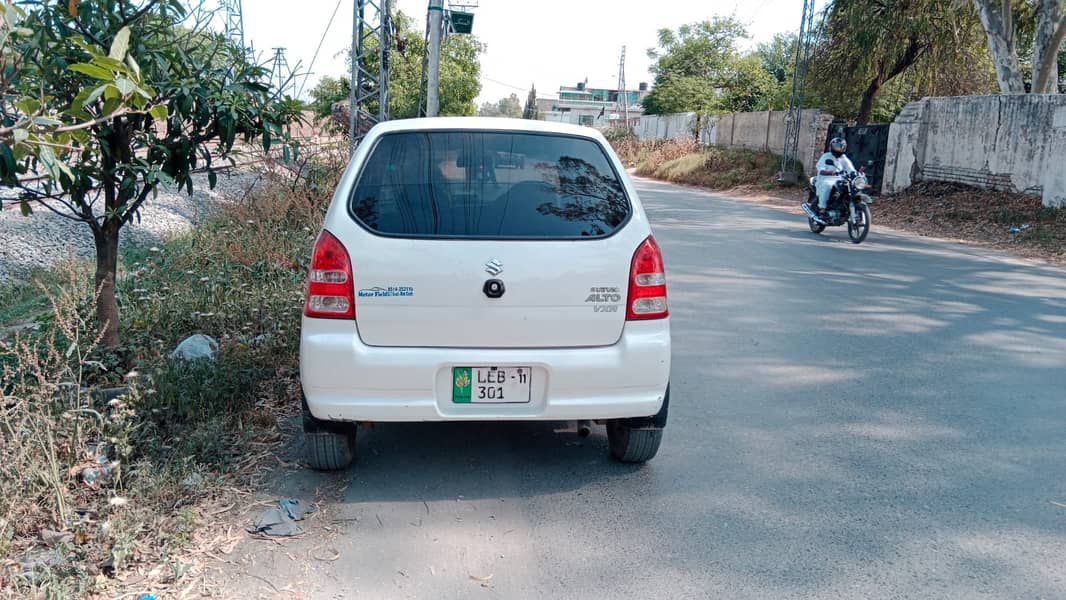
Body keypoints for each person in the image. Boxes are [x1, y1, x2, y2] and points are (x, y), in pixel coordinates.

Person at [814, 138, 855, 218]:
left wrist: (854, 173)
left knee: (850, 186)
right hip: (826, 178)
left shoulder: (843, 158)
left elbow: (850, 168)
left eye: (840, 147)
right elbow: (821, 169)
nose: (838, 149)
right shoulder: (826, 156)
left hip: (839, 178)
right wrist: (829, 172)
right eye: (836, 147)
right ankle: (822, 208)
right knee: (828, 186)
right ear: (832, 147)